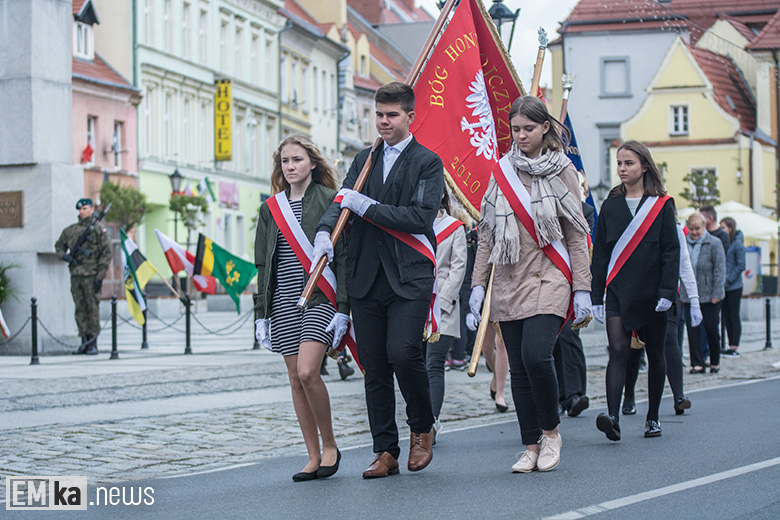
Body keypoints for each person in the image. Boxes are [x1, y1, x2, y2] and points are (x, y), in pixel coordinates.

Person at [313, 82, 444, 478]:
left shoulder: (427, 162)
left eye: (391, 116)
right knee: (374, 365)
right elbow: (342, 202)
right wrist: (324, 230)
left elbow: (420, 218)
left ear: (410, 116)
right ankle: (384, 449)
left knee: (404, 353)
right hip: (367, 275)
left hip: (408, 274)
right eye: (379, 115)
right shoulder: (364, 158)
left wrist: (367, 206)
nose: (383, 123)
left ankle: (422, 428)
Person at [470, 96, 592, 473]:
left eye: (528, 128)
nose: (521, 135)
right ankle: (529, 445)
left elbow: (575, 233)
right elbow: (488, 233)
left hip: (550, 274)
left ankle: (551, 433)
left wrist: (583, 287)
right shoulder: (501, 171)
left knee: (537, 356)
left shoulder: (563, 170)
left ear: (544, 129)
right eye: (515, 129)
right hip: (508, 276)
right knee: (519, 368)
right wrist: (478, 285)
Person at [254, 135, 348, 482]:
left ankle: (331, 445)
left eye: (297, 160)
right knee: (295, 379)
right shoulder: (270, 208)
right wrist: (261, 313)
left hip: (321, 297)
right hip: (283, 301)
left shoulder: (330, 200)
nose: (290, 167)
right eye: (285, 162)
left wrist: (345, 307)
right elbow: (263, 264)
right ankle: (312, 454)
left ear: (312, 163)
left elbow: (347, 256)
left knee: (309, 371)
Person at [591, 140, 680, 441]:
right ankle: (613, 417)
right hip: (618, 289)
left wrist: (668, 291)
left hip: (654, 293)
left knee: (655, 353)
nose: (622, 169)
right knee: (618, 351)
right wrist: (595, 296)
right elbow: (601, 254)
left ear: (644, 165)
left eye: (628, 163)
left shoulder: (662, 205)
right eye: (619, 163)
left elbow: (671, 251)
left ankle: (652, 417)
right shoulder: (611, 205)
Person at [621, 222, 702, 416]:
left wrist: (694, 299)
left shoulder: (674, 228)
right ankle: (629, 395)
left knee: (670, 340)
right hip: (638, 293)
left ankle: (679, 397)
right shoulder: (633, 222)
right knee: (636, 346)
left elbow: (684, 264)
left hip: (667, 293)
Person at [426, 190, 467, 442]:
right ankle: (419, 418)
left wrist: (442, 302)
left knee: (434, 364)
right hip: (415, 304)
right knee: (416, 366)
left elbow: (458, 266)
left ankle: (431, 422)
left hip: (442, 306)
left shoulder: (454, 227)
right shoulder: (413, 221)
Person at [55, 198, 111, 355]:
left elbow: (106, 254)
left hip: (92, 275)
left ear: (92, 209)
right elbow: (59, 246)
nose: (82, 212)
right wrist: (65, 257)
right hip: (76, 275)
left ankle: (93, 343)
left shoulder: (99, 230)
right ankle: (84, 341)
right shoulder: (70, 230)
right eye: (80, 209)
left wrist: (100, 276)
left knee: (92, 309)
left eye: (85, 208)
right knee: (80, 309)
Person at [682, 212, 726, 374]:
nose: (694, 232)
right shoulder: (683, 243)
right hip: (689, 295)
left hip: (710, 295)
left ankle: (714, 361)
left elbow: (720, 270)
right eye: (691, 229)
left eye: (697, 229)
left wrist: (717, 293)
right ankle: (697, 363)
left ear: (704, 227)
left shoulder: (714, 243)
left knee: (711, 329)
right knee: (692, 330)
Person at [720, 217, 745, 357]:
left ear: (730, 228)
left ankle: (734, 346)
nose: (721, 229)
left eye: (723, 227)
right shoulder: (725, 242)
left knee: (733, 316)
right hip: (724, 286)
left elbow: (741, 265)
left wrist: (729, 280)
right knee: (725, 316)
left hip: (734, 286)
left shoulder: (738, 244)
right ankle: (727, 345)